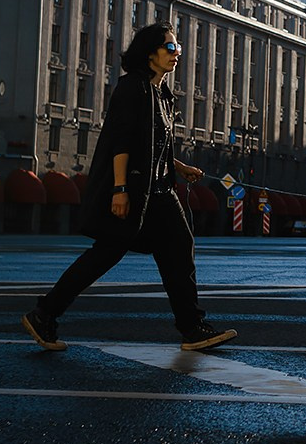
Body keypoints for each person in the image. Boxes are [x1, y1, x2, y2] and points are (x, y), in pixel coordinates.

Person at [21, 23, 235, 352]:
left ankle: (192, 327)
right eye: (170, 48)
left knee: (179, 248)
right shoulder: (131, 88)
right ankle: (44, 313)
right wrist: (120, 190)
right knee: (106, 254)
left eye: (178, 49)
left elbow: (153, 146)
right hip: (134, 190)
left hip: (160, 191)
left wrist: (180, 167)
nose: (176, 54)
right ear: (150, 53)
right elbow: (121, 143)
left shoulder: (163, 94)